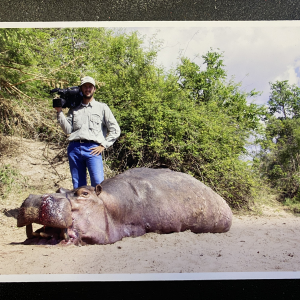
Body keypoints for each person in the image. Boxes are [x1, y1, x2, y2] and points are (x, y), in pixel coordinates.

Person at [54, 76, 121, 188]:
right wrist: (59, 112)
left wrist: (103, 145)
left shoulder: (102, 107)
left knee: (98, 184)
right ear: (81, 89)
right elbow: (68, 130)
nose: (88, 89)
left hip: (93, 149)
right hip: (74, 148)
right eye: (85, 86)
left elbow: (115, 130)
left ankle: (100, 206)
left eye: (90, 86)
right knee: (78, 186)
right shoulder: (74, 109)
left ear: (94, 89)